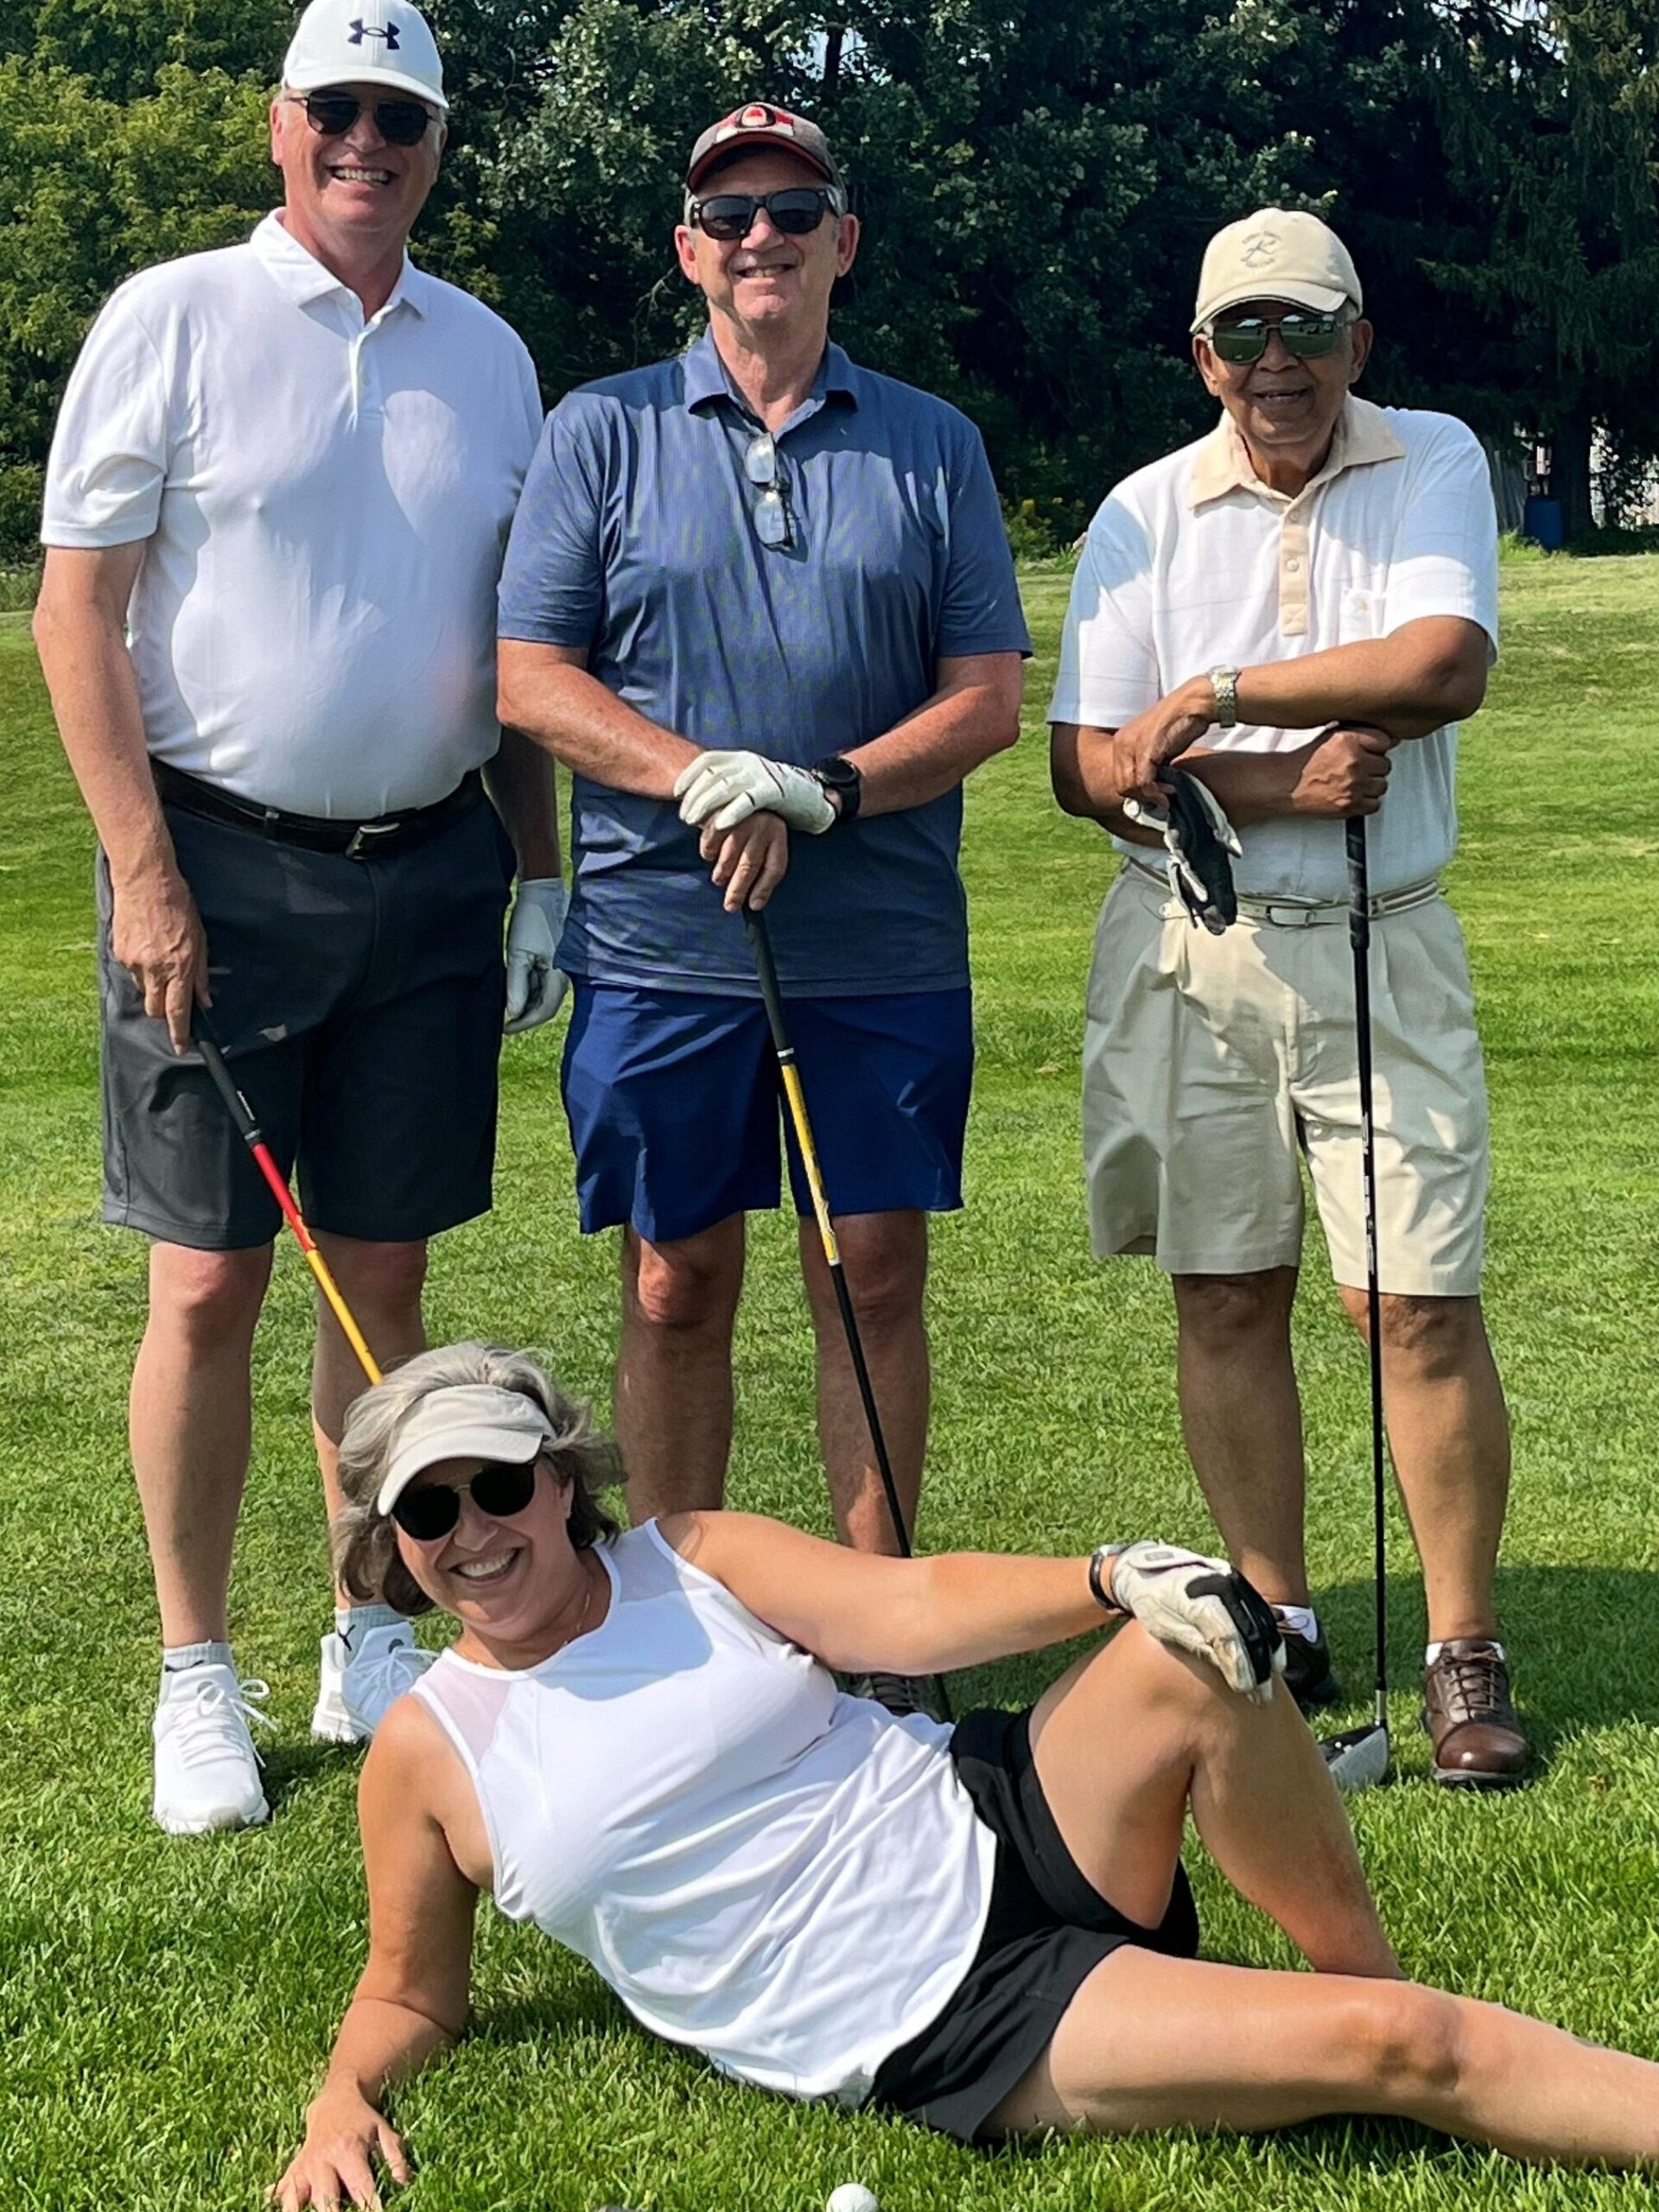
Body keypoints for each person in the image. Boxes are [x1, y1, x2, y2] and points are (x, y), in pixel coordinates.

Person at [273, 1342, 1659, 2207]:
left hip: (996, 1807)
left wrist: (1114, 1577)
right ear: (395, 1546)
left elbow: (913, 1605)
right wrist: (343, 2098)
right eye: (429, 1513)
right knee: (1408, 2053)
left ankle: (1361, 1978)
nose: (474, 1535)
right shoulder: (425, 1750)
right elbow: (409, 1989)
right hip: (941, 2015)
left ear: (564, 1482)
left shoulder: (686, 1559)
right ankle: (1395, 2037)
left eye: (500, 1488)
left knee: (1196, 1650)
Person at [31, 0, 564, 1836]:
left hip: (430, 866)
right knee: (207, 1281)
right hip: (218, 862)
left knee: (386, 1284)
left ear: (432, 141)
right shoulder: (173, 316)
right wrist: (147, 875)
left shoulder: (492, 356)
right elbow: (74, 618)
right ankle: (198, 1668)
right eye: (336, 108)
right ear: (281, 127)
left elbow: (513, 647)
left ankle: (367, 1624)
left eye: (398, 115)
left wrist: (540, 866)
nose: (367, 141)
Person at [495, 103, 1029, 1711]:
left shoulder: (929, 440)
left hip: (875, 943)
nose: (760, 238)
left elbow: (990, 695)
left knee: (867, 1270)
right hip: (662, 943)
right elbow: (532, 675)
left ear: (841, 240)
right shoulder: (601, 428)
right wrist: (700, 774)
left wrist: (830, 788)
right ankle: (678, 1628)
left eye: (793, 209)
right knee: (676, 1279)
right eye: (727, 214)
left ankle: (878, 1634)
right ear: (688, 249)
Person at [1047, 208, 1526, 1785]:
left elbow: (1443, 662)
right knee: (1227, 1287)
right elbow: (1090, 768)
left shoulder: (1434, 456)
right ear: (1203, 356)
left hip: (1385, 927)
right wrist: (1279, 778)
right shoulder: (1141, 509)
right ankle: (1277, 1618)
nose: (1276, 363)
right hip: (1195, 940)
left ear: (1357, 342)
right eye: (1243, 335)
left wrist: (1221, 698)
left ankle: (1461, 1653)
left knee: (1413, 1298)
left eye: (1305, 330)